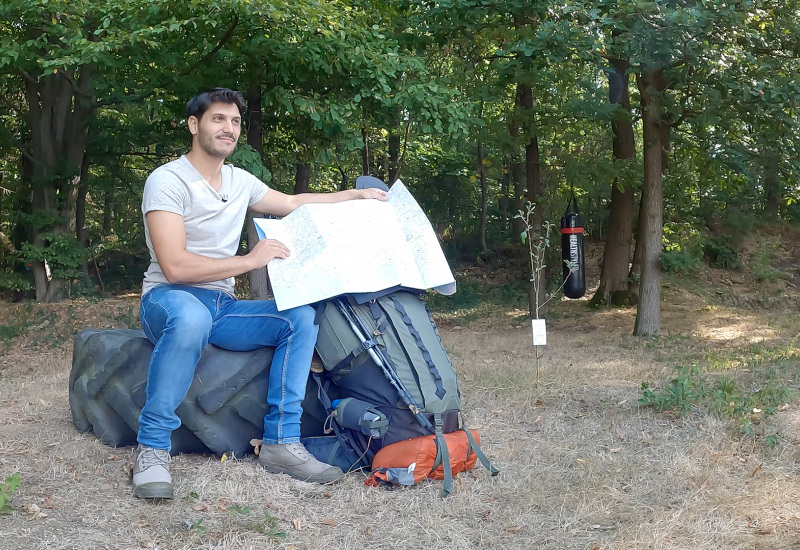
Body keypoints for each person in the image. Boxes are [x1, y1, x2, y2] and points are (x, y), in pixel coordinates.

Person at [133, 87, 387, 499]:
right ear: (194, 125)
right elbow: (175, 266)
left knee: (299, 317)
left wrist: (354, 196)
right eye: (218, 119)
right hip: (167, 299)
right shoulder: (167, 181)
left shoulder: (238, 181)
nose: (228, 128)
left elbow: (291, 202)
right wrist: (251, 261)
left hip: (221, 306)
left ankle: (281, 443)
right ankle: (153, 446)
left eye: (234, 122)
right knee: (191, 316)